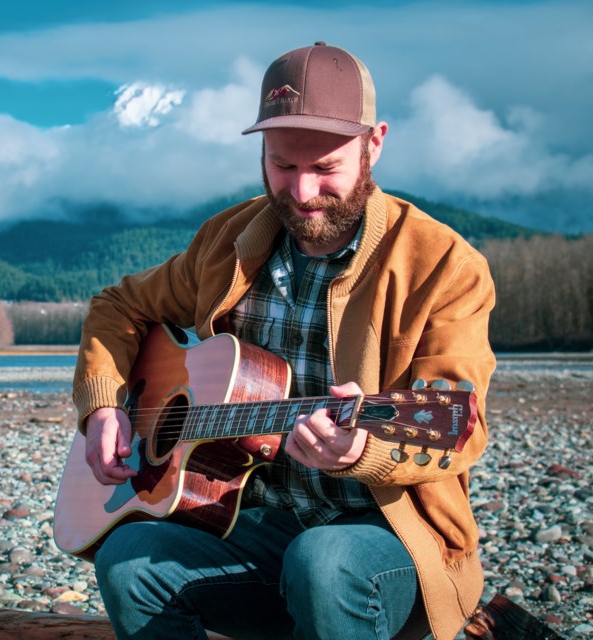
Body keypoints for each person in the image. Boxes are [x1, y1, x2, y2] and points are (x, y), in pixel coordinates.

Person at [70, 42, 496, 640]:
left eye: (325, 169)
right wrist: (105, 405)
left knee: (321, 563)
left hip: (393, 536)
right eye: (283, 166)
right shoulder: (226, 239)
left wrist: (362, 452)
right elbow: (118, 306)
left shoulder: (445, 265)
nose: (300, 192)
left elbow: (460, 426)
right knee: (129, 559)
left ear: (374, 143)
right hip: (251, 523)